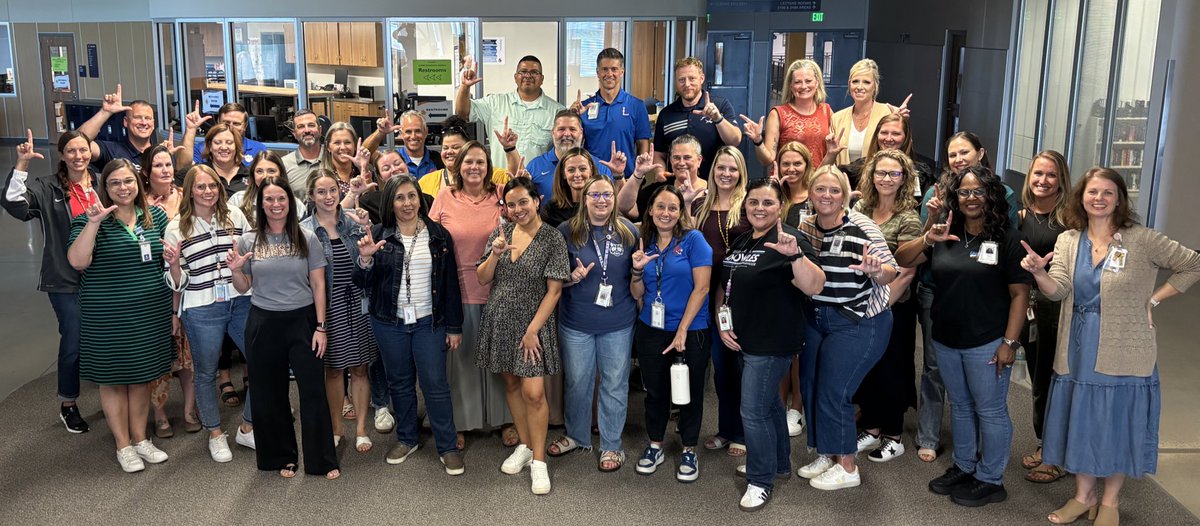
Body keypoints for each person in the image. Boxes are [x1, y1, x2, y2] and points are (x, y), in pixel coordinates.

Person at [1022, 168, 1200, 525]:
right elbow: (1059, 290)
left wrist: (1155, 299)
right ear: (1081, 198)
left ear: (1119, 199)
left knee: (1115, 422)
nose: (1099, 198)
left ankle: (1110, 503)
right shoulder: (1069, 240)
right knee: (1083, 422)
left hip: (1124, 347)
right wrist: (1040, 274)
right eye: (1092, 192)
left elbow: (1193, 263)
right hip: (1076, 346)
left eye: (1107, 192)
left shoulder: (1143, 239)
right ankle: (1084, 496)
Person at [895, 165, 1031, 507]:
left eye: (978, 191)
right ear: (955, 197)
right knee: (961, 407)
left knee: (990, 410)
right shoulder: (946, 233)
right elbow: (902, 257)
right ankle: (965, 465)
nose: (971, 198)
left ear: (992, 196)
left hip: (987, 341)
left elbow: (1020, 295)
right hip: (946, 338)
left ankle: (990, 478)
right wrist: (928, 235)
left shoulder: (1007, 240)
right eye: (964, 192)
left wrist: (1009, 344)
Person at [913, 130, 1020, 463]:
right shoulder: (939, 204)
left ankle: (987, 470)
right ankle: (949, 452)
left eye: (964, 152)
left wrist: (1010, 341)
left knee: (986, 401)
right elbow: (913, 251)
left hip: (985, 312)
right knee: (945, 383)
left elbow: (1014, 276)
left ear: (981, 153)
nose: (958, 159)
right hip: (941, 302)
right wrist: (931, 222)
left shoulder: (1004, 210)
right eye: (952, 154)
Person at [720, 178, 825, 512]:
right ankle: (779, 463)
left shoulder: (790, 240)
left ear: (780, 206)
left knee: (752, 410)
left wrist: (795, 257)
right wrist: (724, 325)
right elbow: (730, 286)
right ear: (745, 205)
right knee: (769, 407)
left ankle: (760, 480)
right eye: (754, 202)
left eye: (767, 203)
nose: (760, 208)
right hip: (742, 338)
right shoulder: (742, 240)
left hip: (773, 342)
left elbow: (814, 285)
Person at [793, 165, 897, 491]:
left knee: (834, 391)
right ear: (810, 193)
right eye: (820, 189)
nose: (826, 196)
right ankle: (828, 452)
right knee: (810, 385)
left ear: (845, 195)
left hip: (858, 319)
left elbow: (891, 271)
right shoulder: (806, 226)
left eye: (834, 190)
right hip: (818, 317)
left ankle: (848, 466)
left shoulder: (861, 227)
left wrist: (876, 270)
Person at [66, 159, 174, 473]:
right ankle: (123, 446)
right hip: (108, 315)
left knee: (142, 379)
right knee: (113, 381)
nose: (123, 188)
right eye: (115, 183)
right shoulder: (89, 219)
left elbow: (164, 261)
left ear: (138, 184)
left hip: (149, 312)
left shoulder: (154, 216)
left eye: (128, 181)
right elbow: (77, 261)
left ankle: (141, 440)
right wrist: (93, 223)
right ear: (105, 188)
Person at [228, 176, 339, 480]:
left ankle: (322, 461)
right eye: (269, 200)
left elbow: (318, 284)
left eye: (281, 199)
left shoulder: (307, 237)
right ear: (261, 204)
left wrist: (321, 327)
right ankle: (281, 457)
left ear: (291, 203)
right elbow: (243, 287)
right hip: (263, 323)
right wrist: (237, 271)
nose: (276, 205)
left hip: (303, 322)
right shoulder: (249, 240)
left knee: (313, 392)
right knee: (269, 394)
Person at [354, 175, 465, 473]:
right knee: (399, 383)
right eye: (400, 198)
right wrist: (365, 260)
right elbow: (362, 283)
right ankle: (407, 438)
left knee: (435, 384)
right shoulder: (378, 234)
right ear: (391, 202)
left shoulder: (438, 234)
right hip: (389, 322)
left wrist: (454, 327)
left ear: (420, 199)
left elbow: (450, 284)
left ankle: (447, 445)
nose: (407, 203)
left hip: (430, 322)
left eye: (412, 196)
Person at [475, 177, 570, 495]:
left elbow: (554, 292)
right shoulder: (500, 233)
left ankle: (539, 462)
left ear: (537, 200)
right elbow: (482, 277)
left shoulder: (553, 238)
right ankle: (526, 445)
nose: (517, 209)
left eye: (523, 202)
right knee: (512, 384)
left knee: (534, 394)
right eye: (511, 204)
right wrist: (495, 254)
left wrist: (532, 331)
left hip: (534, 325)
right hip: (499, 319)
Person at [2, 130, 94, 433]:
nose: (78, 156)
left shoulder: (102, 183)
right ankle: (68, 403)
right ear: (62, 155)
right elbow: (15, 203)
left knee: (104, 334)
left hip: (102, 275)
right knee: (74, 338)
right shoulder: (49, 187)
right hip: (64, 278)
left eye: (83, 150)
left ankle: (114, 392)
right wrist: (22, 164)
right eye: (71, 151)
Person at [163, 164, 255, 462]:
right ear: (189, 191)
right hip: (202, 305)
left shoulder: (235, 216)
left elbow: (248, 259)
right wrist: (175, 265)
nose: (208, 192)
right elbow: (178, 281)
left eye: (213, 186)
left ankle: (248, 425)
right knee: (205, 372)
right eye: (200, 187)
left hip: (241, 299)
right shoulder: (178, 227)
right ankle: (215, 433)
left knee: (263, 360)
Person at [427, 140, 513, 449]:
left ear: (489, 167)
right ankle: (459, 423)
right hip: (458, 289)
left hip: (499, 288)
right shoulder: (444, 198)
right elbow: (431, 241)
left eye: (480, 162)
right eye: (468, 162)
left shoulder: (500, 196)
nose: (474, 167)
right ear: (457, 167)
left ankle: (505, 420)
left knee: (498, 359)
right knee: (461, 362)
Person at [549, 176, 638, 471]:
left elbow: (637, 276)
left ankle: (612, 445)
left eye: (607, 195)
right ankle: (577, 435)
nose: (601, 200)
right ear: (584, 198)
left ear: (614, 198)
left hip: (618, 321)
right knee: (577, 381)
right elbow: (552, 277)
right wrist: (570, 279)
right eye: (594, 195)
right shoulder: (566, 231)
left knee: (614, 383)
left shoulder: (629, 232)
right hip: (576, 321)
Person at [630, 185, 713, 483]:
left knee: (688, 393)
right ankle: (655, 446)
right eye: (660, 207)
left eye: (673, 208)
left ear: (680, 213)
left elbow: (702, 288)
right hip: (651, 329)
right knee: (655, 391)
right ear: (650, 210)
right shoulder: (644, 242)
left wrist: (681, 330)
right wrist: (637, 271)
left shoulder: (693, 240)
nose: (666, 213)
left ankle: (689, 449)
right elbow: (637, 292)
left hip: (691, 330)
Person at [850, 150, 923, 462]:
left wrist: (881, 304)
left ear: (904, 178)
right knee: (867, 367)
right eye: (881, 172)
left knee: (892, 369)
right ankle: (872, 426)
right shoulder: (861, 208)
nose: (886, 179)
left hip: (894, 306)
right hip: (862, 304)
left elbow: (908, 270)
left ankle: (893, 435)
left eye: (894, 174)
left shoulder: (908, 217)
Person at [301, 171, 378, 453]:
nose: (328, 196)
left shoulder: (354, 222)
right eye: (321, 192)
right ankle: (336, 428)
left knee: (359, 368)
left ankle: (360, 429)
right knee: (333, 370)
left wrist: (367, 259)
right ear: (311, 196)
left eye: (332, 190)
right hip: (327, 309)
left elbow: (365, 264)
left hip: (357, 305)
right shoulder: (304, 230)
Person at [1015, 150, 1072, 484]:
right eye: (1038, 174)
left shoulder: (1070, 219)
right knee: (1039, 379)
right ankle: (1046, 442)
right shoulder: (1021, 216)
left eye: (1051, 175)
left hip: (1058, 306)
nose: (1043, 181)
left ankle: (1058, 453)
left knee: (1056, 379)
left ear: (1061, 179)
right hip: (1029, 308)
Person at [692, 146, 750, 459]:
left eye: (732, 168)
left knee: (738, 364)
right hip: (704, 292)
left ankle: (742, 432)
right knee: (719, 366)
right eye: (721, 168)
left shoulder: (747, 204)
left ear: (741, 172)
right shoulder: (702, 203)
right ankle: (725, 430)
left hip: (737, 295)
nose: (726, 174)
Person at [139, 144, 197, 438]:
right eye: (158, 165)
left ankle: (189, 409)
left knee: (188, 354)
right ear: (147, 172)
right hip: (156, 287)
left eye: (168, 165)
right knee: (161, 354)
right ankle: (160, 414)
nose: (165, 170)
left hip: (188, 282)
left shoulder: (186, 197)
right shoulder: (141, 205)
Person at [456, 54, 565, 164]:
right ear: (515, 77)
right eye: (523, 71)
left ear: (542, 79)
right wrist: (465, 87)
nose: (528, 75)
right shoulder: (495, 103)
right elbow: (463, 112)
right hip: (500, 180)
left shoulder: (557, 112)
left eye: (534, 72)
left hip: (537, 180)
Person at [653, 57, 742, 180]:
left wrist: (717, 118)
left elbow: (735, 140)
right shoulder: (666, 114)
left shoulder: (720, 105)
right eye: (681, 80)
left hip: (714, 186)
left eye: (692, 78)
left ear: (702, 78)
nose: (687, 84)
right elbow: (659, 153)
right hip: (677, 188)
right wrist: (659, 171)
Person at [571, 48, 652, 180]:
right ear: (598, 72)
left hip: (626, 179)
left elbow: (643, 144)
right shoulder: (585, 107)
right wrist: (573, 116)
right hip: (592, 179)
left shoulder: (636, 105)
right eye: (605, 69)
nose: (609, 74)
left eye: (614, 69)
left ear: (621, 72)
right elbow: (574, 145)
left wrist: (639, 175)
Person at [740, 59, 833, 170]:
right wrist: (758, 140)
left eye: (808, 81)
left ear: (817, 83)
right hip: (788, 182)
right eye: (798, 82)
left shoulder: (826, 110)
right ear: (790, 86)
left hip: (817, 182)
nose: (803, 86)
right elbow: (767, 160)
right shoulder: (778, 114)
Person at [830, 59, 911, 165]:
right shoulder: (837, 118)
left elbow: (904, 150)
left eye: (866, 82)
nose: (859, 87)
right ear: (849, 84)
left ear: (875, 86)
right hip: (844, 179)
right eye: (855, 81)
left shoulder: (889, 113)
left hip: (879, 179)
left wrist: (902, 121)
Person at [525, 109, 618, 201]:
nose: (567, 134)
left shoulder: (601, 167)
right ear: (553, 132)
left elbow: (614, 203)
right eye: (561, 129)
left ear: (581, 132)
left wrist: (619, 176)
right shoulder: (535, 167)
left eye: (572, 129)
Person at [617, 135, 708, 222]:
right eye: (676, 158)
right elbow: (625, 208)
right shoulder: (659, 189)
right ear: (671, 160)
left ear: (699, 160)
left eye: (687, 157)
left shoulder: (713, 189)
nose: (681, 162)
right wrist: (638, 174)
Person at [838, 114, 934, 194]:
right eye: (884, 133)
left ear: (906, 138)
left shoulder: (921, 173)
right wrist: (831, 155)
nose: (888, 139)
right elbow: (830, 178)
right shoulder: (861, 166)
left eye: (895, 134)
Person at [417, 118, 511, 199]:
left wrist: (510, 149)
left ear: (468, 148)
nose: (449, 151)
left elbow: (514, 181)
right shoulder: (426, 182)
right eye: (445, 148)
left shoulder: (492, 175)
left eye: (455, 147)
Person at [76, 84, 159, 171]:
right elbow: (77, 142)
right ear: (126, 122)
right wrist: (105, 112)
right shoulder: (111, 151)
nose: (144, 122)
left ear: (153, 124)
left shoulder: (162, 153)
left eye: (147, 118)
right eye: (137, 117)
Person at [181, 102, 268, 167]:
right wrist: (191, 129)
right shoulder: (202, 148)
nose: (230, 127)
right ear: (218, 122)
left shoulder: (259, 149)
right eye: (226, 123)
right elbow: (183, 170)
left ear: (245, 126)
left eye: (236, 124)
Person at [540, 147, 605, 226]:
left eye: (582, 169)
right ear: (563, 173)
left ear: (590, 170)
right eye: (571, 170)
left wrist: (618, 176)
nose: (577, 174)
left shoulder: (602, 204)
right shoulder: (551, 210)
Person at [182, 124, 250, 195]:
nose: (224, 147)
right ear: (210, 146)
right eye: (217, 143)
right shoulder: (197, 172)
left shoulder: (251, 174)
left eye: (229, 143)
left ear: (237, 146)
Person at [373, 110, 444, 178]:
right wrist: (380, 132)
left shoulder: (438, 160)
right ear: (401, 134)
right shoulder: (394, 158)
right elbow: (365, 152)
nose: (413, 136)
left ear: (426, 132)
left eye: (418, 131)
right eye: (408, 132)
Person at [282, 110, 324, 201]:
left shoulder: (332, 157)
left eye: (311, 125)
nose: (307, 130)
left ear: (320, 130)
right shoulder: (284, 164)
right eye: (301, 127)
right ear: (294, 134)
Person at [319, 122, 365, 196]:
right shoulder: (320, 177)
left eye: (347, 142)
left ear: (355, 145)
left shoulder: (366, 171)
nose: (343, 147)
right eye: (337, 143)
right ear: (328, 147)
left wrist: (363, 168)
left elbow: (375, 203)